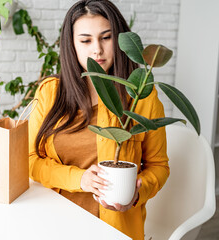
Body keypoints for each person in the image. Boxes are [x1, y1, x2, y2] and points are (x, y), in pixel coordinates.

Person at [28, 0, 170, 239]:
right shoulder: (51, 93)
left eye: (106, 38)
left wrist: (136, 193)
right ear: (71, 45)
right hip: (54, 223)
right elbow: (31, 160)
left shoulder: (141, 97)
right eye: (85, 40)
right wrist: (79, 178)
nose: (97, 50)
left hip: (116, 227)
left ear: (121, 40)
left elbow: (159, 166)